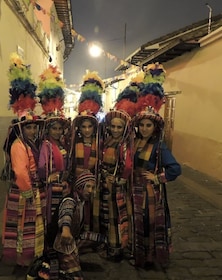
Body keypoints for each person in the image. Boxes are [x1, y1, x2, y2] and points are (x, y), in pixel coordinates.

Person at [131, 63, 181, 269]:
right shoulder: (134, 143)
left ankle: (151, 258)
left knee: (150, 224)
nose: (144, 128)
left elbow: (175, 169)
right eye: (142, 125)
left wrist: (157, 178)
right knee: (137, 224)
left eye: (148, 125)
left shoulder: (159, 147)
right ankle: (139, 256)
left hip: (151, 194)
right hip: (134, 190)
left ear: (155, 127)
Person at [1, 52, 45, 269]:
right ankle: (22, 260)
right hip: (22, 193)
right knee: (22, 226)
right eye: (28, 126)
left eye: (34, 126)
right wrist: (28, 194)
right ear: (21, 128)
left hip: (28, 192)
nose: (32, 129)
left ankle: (27, 257)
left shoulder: (28, 143)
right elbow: (20, 172)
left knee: (28, 227)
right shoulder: (18, 146)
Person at [93, 90, 136, 261]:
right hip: (104, 186)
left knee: (116, 217)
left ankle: (117, 247)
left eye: (120, 127)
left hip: (116, 189)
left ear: (124, 127)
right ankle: (107, 243)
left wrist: (119, 180)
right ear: (108, 126)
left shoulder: (124, 145)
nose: (116, 129)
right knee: (105, 216)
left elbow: (127, 165)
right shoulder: (106, 142)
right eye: (113, 126)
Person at [37, 64, 70, 279]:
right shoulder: (47, 146)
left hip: (63, 189)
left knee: (62, 220)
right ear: (48, 130)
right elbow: (42, 169)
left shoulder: (64, 143)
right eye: (54, 128)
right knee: (51, 220)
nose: (57, 131)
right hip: (51, 191)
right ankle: (50, 255)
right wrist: (52, 177)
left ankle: (61, 250)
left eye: (60, 128)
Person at [69, 70, 104, 232]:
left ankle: (91, 238)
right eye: (83, 126)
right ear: (79, 127)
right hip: (76, 186)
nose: (87, 129)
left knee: (92, 213)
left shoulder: (100, 142)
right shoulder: (73, 143)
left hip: (93, 186)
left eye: (90, 126)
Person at [49, 171, 98, 280]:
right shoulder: (70, 200)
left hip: (73, 238)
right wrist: (65, 230)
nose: (90, 191)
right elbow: (66, 213)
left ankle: (73, 256)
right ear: (80, 187)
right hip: (62, 243)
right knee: (77, 278)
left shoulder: (83, 203)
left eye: (93, 187)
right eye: (88, 186)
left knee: (101, 240)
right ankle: (62, 262)